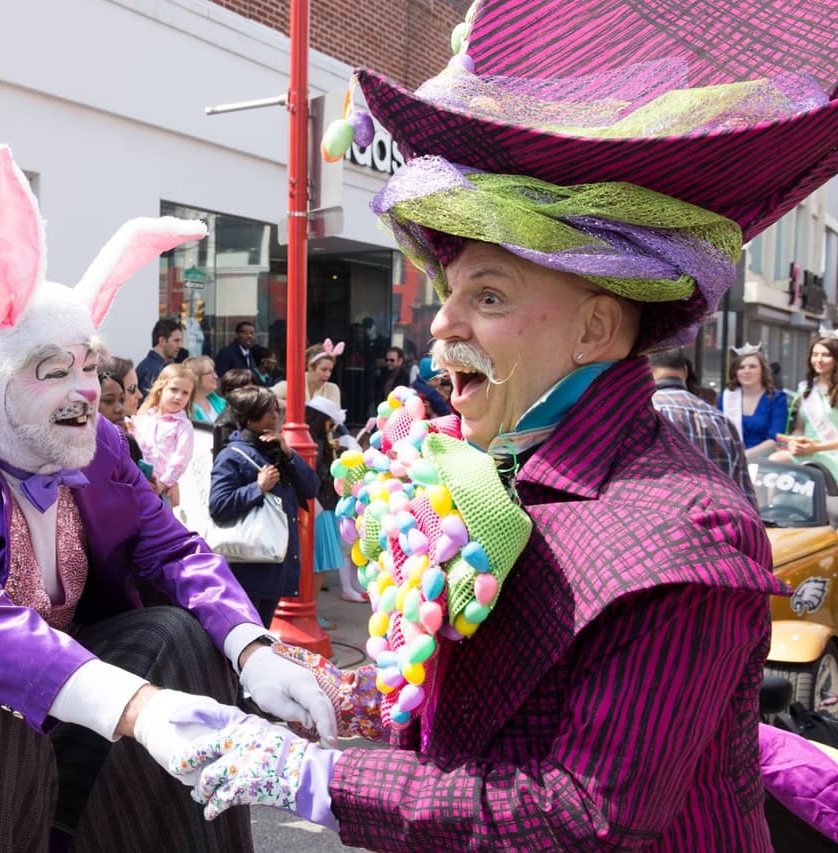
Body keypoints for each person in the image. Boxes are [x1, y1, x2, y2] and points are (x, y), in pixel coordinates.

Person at [167, 2, 835, 845]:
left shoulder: (682, 535)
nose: (442, 325)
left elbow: (586, 817)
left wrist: (321, 777)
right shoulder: (491, 470)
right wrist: (355, 702)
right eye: (450, 293)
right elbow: (476, 721)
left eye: (487, 296)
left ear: (595, 327)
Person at [0, 145, 335, 852]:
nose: (82, 390)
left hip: (69, 700)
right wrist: (139, 707)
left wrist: (253, 649)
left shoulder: (101, 444)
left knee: (174, 635)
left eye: (89, 366)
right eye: (53, 370)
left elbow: (173, 548)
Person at [209, 386, 320, 627]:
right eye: (268, 412)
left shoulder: (276, 449)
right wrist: (257, 488)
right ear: (249, 418)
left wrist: (288, 453)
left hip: (276, 563)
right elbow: (218, 506)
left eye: (276, 410)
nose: (275, 417)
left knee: (263, 631)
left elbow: (311, 488)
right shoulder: (232, 456)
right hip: (249, 566)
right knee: (247, 633)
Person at [650, 348, 757, 505]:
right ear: (685, 372)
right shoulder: (722, 421)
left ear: (647, 371)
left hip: (660, 525)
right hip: (716, 526)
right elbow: (745, 499)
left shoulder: (645, 415)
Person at [772, 336, 838, 479]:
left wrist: (816, 447)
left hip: (832, 454)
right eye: (815, 355)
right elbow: (799, 428)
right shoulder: (805, 388)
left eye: (825, 355)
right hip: (808, 452)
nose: (818, 360)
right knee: (775, 462)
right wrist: (793, 443)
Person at [134, 363, 197, 505]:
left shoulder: (183, 425)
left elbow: (180, 460)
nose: (178, 396)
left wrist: (162, 484)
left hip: (161, 490)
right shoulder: (144, 417)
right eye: (173, 389)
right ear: (160, 389)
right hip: (137, 483)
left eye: (185, 393)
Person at [305, 396, 347, 606]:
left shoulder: (313, 440)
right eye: (331, 423)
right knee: (319, 564)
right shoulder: (319, 444)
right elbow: (322, 476)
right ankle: (312, 612)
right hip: (322, 506)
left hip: (316, 506)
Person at [720, 346, 790, 457]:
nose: (746, 371)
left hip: (764, 463)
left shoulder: (777, 399)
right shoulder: (726, 398)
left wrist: (743, 457)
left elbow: (775, 440)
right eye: (741, 367)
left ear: (762, 370)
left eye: (752, 367)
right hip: (730, 459)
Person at [271, 340, 343, 407]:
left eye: (330, 370)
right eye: (323, 370)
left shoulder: (332, 389)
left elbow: (335, 418)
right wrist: (287, 405)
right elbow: (263, 399)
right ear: (310, 367)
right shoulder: (289, 386)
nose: (328, 374)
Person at [385, 345, 450, 417]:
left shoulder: (413, 384)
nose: (439, 382)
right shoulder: (431, 392)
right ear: (431, 379)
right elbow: (446, 411)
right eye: (437, 379)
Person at [136, 317, 183, 397]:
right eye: (176, 341)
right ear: (162, 341)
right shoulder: (155, 369)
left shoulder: (151, 365)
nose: (180, 346)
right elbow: (148, 404)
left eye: (180, 341)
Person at [185, 355, 226, 424]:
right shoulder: (184, 409)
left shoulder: (222, 403)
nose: (216, 376)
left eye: (214, 372)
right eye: (210, 373)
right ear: (195, 377)